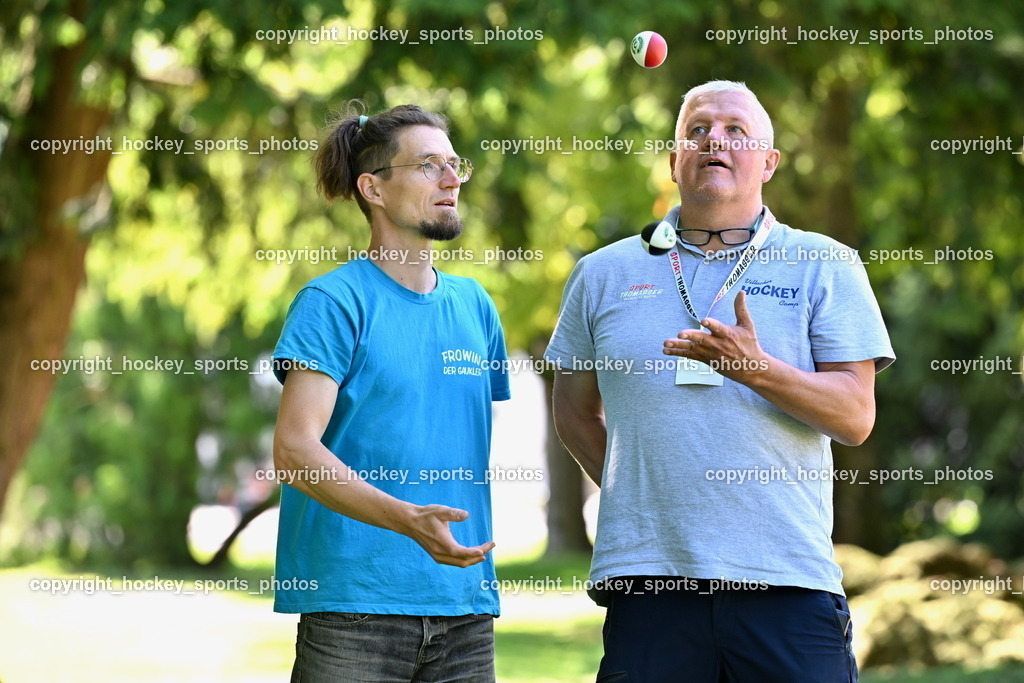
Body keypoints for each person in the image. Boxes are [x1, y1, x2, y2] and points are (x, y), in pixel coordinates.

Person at [546, 80, 895, 682]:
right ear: (674, 159)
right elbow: (575, 411)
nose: (716, 138)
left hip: (786, 583)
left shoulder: (824, 263)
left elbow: (854, 416)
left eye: (737, 130)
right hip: (649, 583)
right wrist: (648, 488)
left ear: (769, 161)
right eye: (698, 129)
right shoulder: (601, 274)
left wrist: (753, 369)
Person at [271, 103, 510, 682]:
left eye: (455, 164)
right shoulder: (332, 303)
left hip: (464, 610)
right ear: (372, 189)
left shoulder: (476, 306)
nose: (452, 179)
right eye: (429, 165)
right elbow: (295, 451)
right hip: (354, 612)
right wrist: (407, 519)